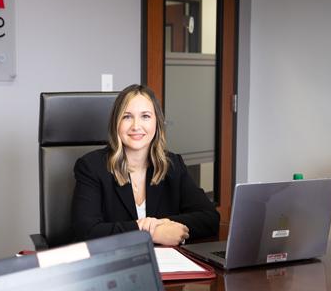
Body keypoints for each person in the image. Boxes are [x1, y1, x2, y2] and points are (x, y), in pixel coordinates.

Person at [70, 84, 219, 245]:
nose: (136, 126)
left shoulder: (173, 165)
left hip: (168, 263)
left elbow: (210, 218)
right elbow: (85, 232)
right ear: (116, 123)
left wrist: (164, 227)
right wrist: (149, 233)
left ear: (157, 123)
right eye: (127, 116)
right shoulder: (91, 167)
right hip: (118, 263)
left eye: (145, 116)